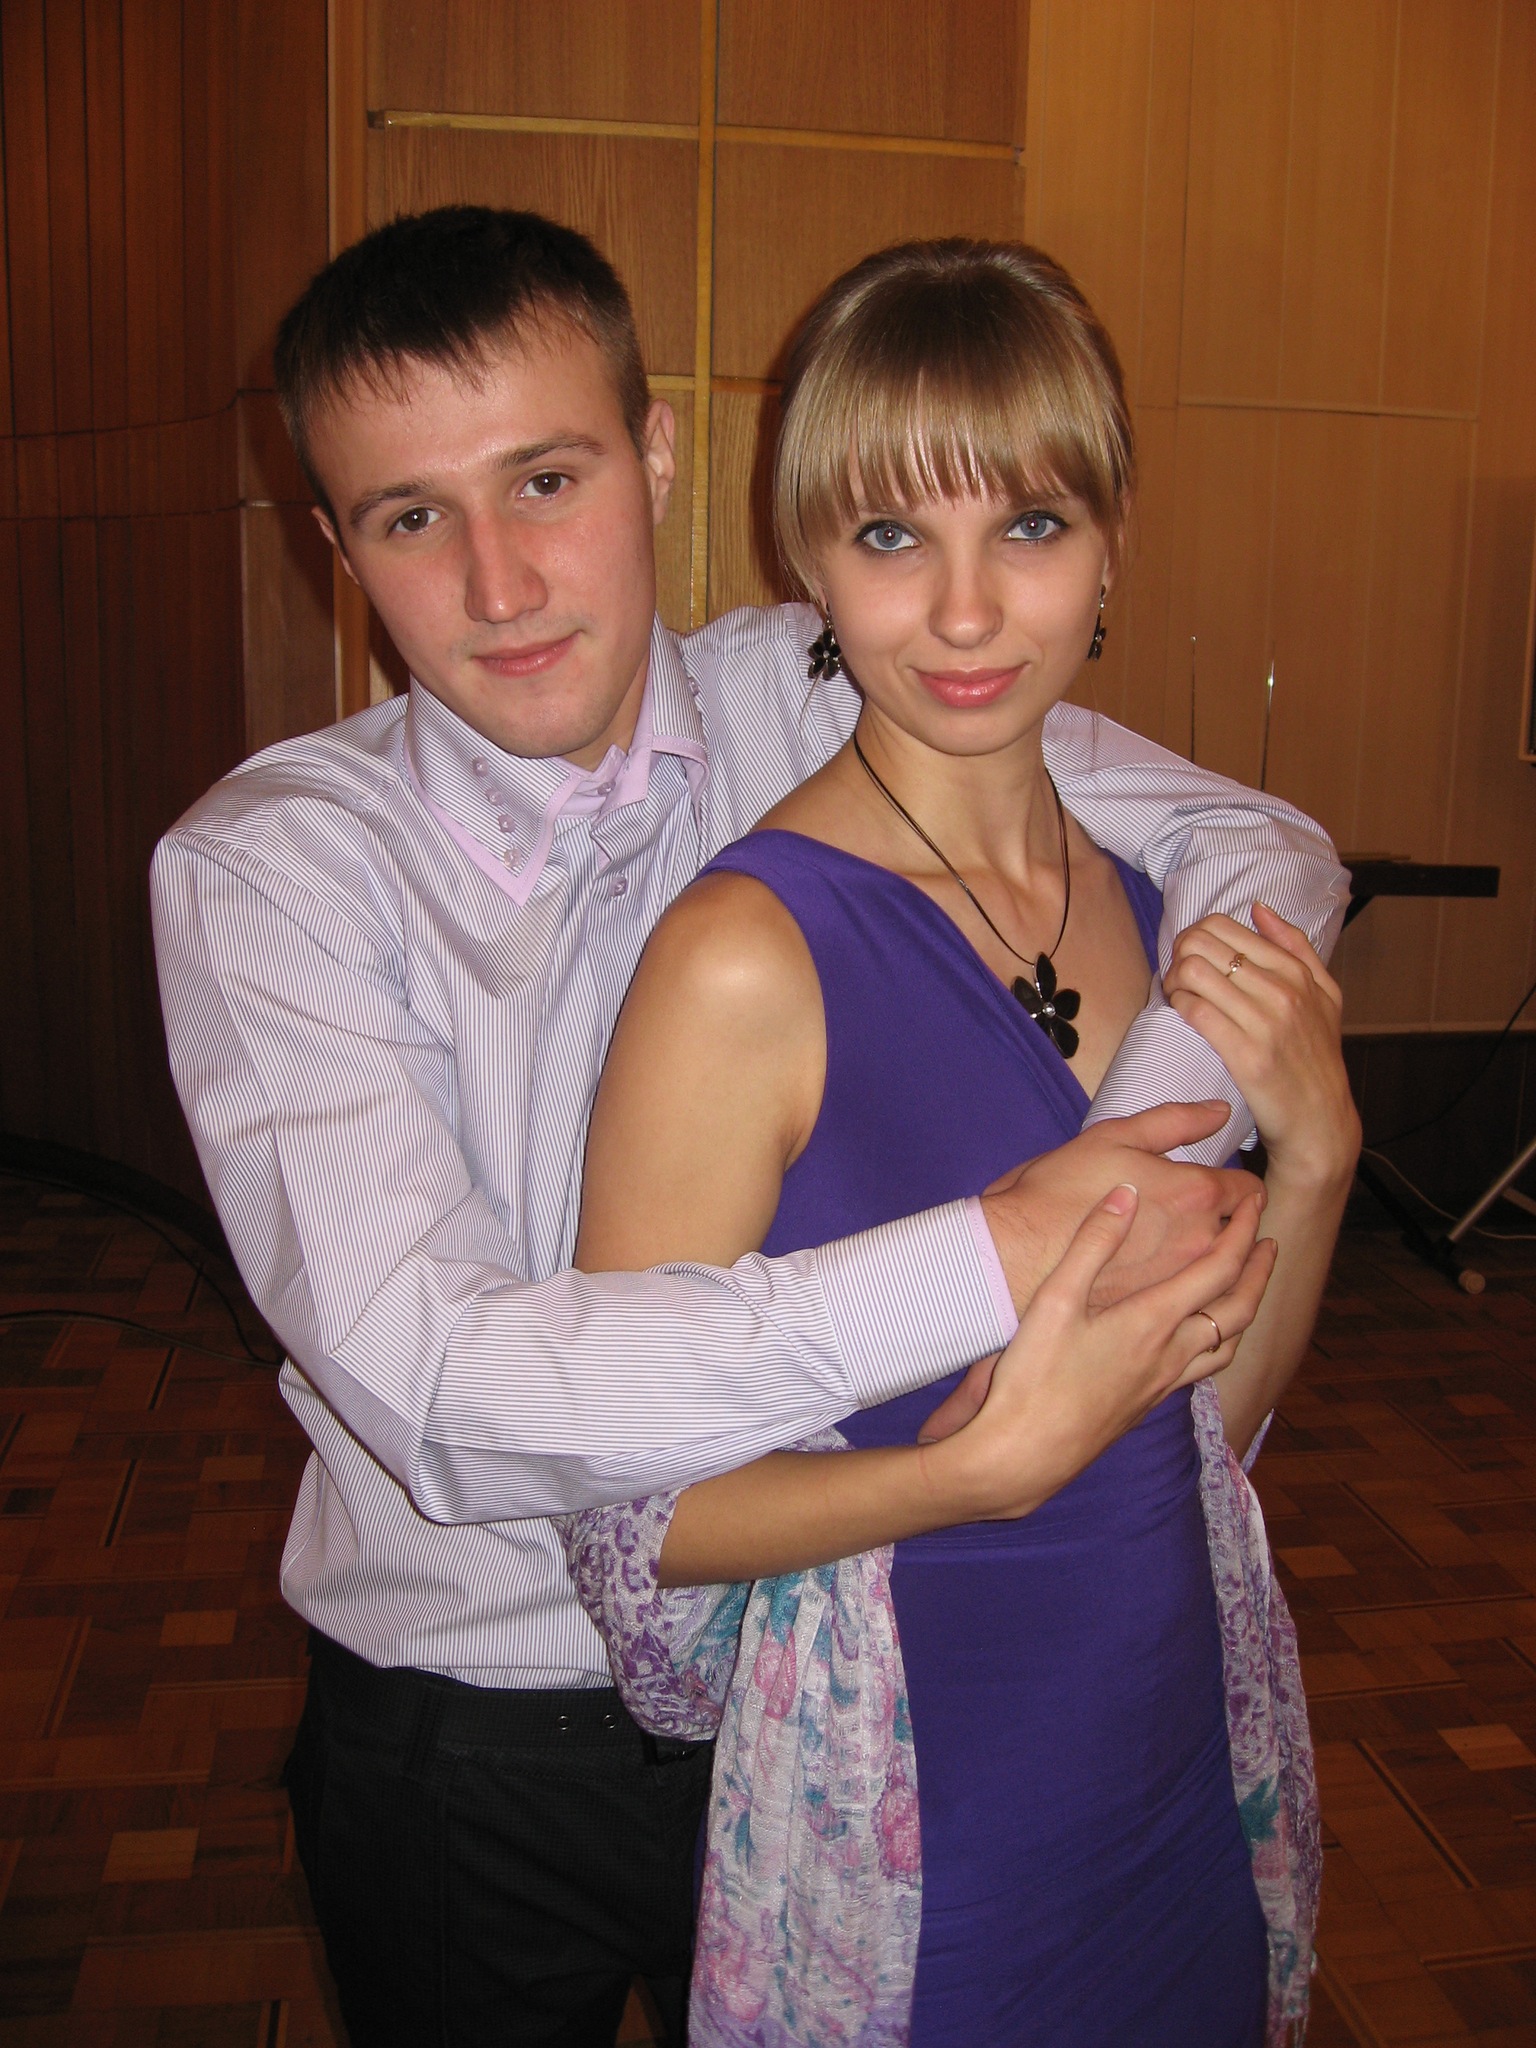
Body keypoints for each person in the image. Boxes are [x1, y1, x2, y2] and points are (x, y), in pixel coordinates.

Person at [149, 207, 1347, 2047]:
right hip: (482, 1730)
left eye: (547, 480)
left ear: (656, 458)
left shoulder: (823, 677)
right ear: (336, 548)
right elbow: (456, 1401)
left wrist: (1191, 1137)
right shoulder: (275, 870)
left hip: (847, 1684)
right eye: (410, 518)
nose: (499, 582)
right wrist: (1010, 1258)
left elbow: (1248, 841)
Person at [567, 239, 1359, 2045]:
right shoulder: (745, 957)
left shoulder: (1159, 915)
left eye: (1031, 525)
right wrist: (969, 1475)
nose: (970, 611)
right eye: (892, 536)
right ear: (807, 561)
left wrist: (1315, 1166)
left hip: (1173, 1755)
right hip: (925, 1832)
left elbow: (1201, 1434)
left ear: (1114, 543)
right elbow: (631, 1524)